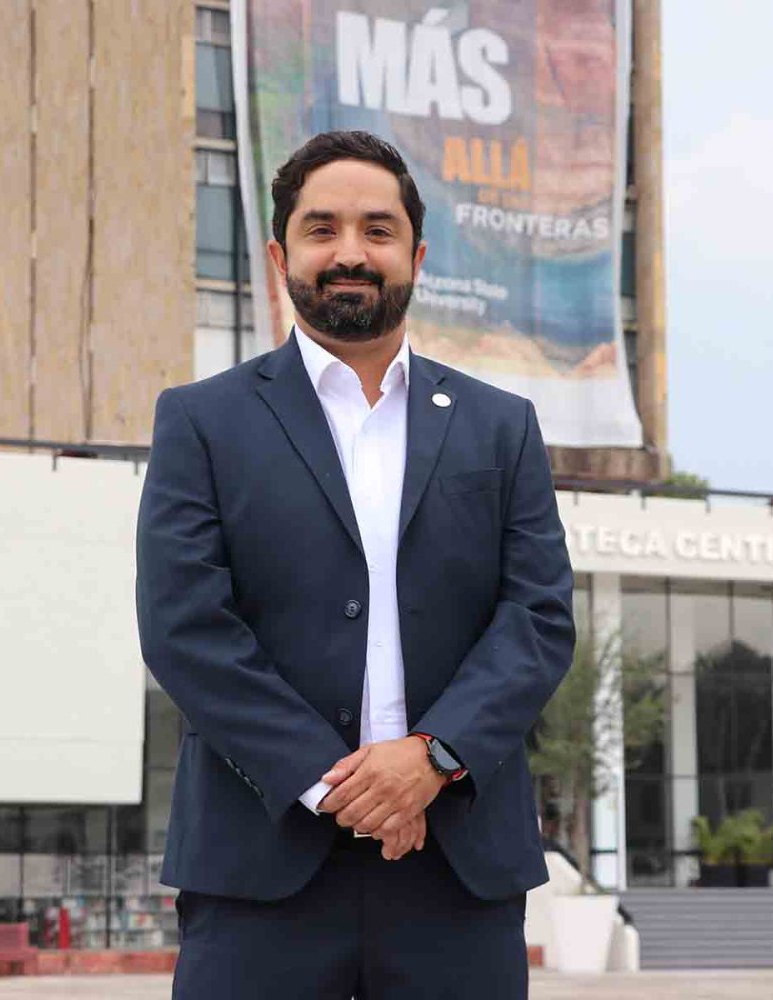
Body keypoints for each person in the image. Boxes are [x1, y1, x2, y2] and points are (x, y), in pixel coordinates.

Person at [136, 130, 575, 999]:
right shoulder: (201, 422)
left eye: (377, 230)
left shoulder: (502, 426)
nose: (350, 253)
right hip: (259, 870)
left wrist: (432, 758)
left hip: (457, 871)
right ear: (279, 255)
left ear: (417, 256)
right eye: (321, 228)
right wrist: (345, 788)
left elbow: (538, 618)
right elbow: (186, 629)